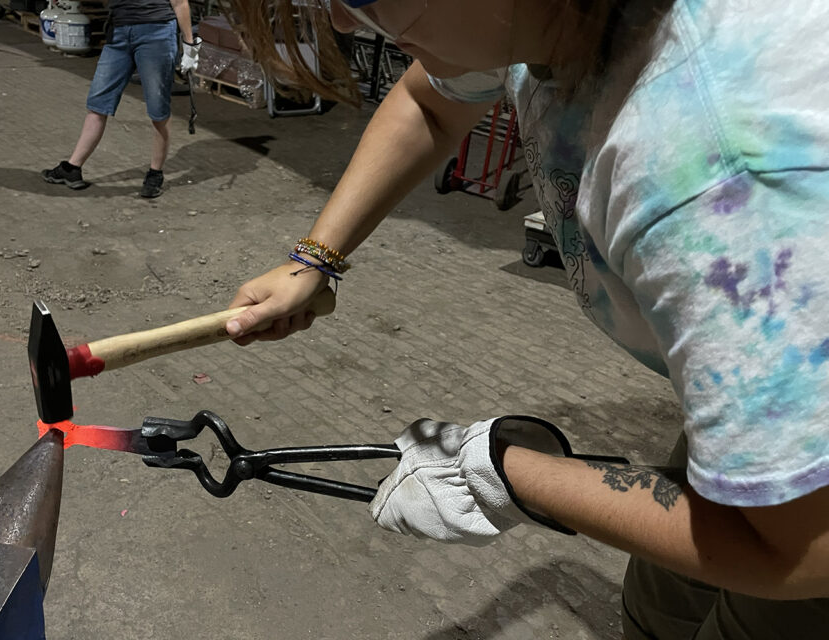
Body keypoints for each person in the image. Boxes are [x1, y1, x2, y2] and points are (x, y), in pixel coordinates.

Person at [218, 0, 829, 637]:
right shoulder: (539, 24)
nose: (346, 25)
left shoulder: (716, 177)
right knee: (660, 609)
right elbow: (431, 101)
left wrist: (500, 473)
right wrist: (316, 259)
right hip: (783, 405)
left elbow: (805, 551)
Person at [41, 0, 202, 198]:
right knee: (97, 104)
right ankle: (72, 168)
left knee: (158, 110)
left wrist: (189, 45)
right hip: (119, 33)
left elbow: (179, 3)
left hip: (156, 33)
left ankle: (155, 173)